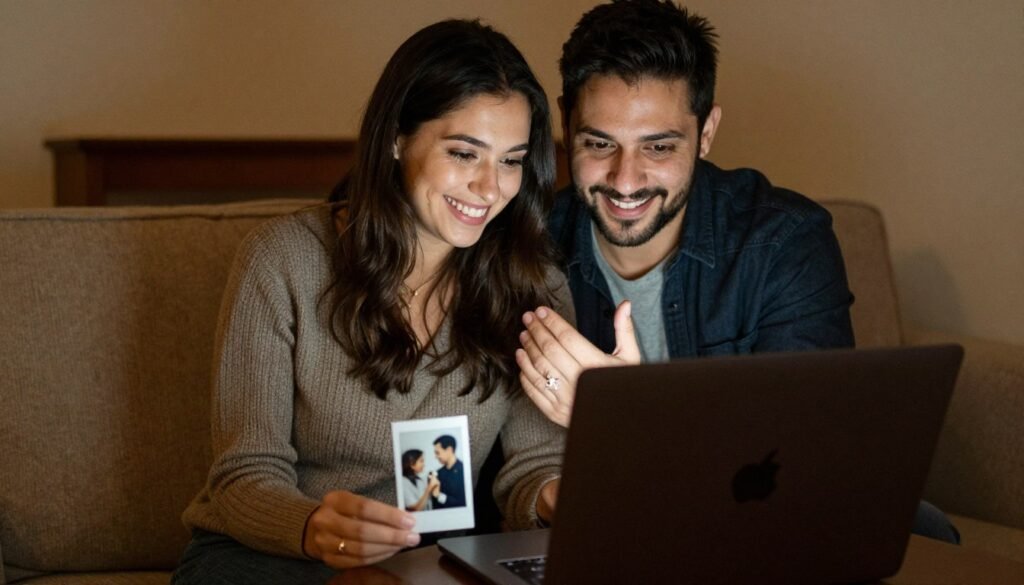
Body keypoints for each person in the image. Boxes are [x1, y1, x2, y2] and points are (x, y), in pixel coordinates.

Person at [515, 0, 959, 544]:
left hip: (774, 537)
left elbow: (801, 468)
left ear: (706, 133)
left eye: (658, 146)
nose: (625, 180)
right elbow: (514, 464)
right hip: (625, 535)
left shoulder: (784, 243)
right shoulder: (531, 252)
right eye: (599, 143)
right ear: (566, 123)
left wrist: (625, 419)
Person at [171, 19, 569, 584]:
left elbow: (534, 466)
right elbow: (243, 475)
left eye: (511, 160)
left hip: (431, 563)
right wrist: (317, 526)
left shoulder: (531, 279)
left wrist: (572, 498)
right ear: (396, 139)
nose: (490, 188)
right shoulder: (284, 260)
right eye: (464, 153)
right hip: (271, 556)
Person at [431, 434, 467, 508]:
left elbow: (464, 503)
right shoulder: (438, 473)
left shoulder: (464, 471)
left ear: (449, 450)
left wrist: (439, 495)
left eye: (437, 453)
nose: (435, 457)